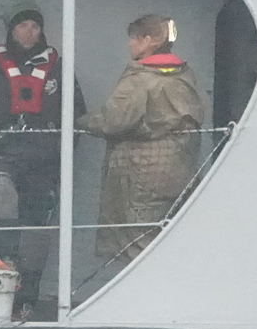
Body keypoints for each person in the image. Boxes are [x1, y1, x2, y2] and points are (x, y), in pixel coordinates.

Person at [0, 8, 86, 319]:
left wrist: (62, 149)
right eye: (22, 26)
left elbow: (77, 114)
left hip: (43, 157)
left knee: (38, 225)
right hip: (2, 151)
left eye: (35, 26)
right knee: (2, 192)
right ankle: (2, 269)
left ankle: (28, 296)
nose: (29, 31)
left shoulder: (59, 70)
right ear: (11, 30)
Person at [78, 13, 208, 266]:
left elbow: (114, 121)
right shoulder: (184, 74)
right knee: (170, 237)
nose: (130, 44)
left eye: (134, 39)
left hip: (142, 173)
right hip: (182, 167)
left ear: (148, 40)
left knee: (139, 242)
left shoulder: (140, 77)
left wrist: (80, 121)